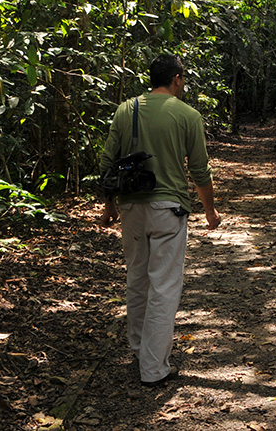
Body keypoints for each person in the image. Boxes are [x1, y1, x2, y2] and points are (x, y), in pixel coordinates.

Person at [99, 53, 221, 386]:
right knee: (164, 286)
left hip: (131, 208)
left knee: (137, 280)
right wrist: (209, 210)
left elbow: (108, 161)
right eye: (183, 78)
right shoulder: (188, 115)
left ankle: (140, 350)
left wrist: (109, 206)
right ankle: (153, 368)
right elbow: (199, 170)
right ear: (177, 79)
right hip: (169, 209)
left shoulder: (127, 109)